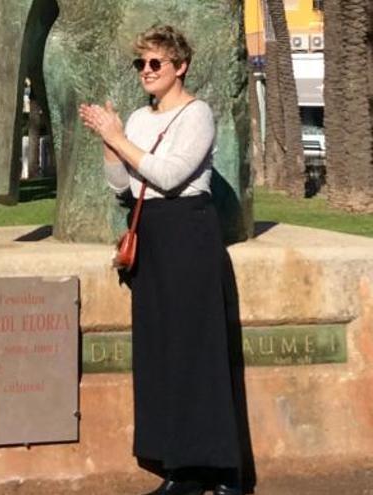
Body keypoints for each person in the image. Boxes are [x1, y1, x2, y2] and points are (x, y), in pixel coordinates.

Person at [79, 25, 254, 495]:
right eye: (141, 64)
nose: (147, 71)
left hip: (188, 234)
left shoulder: (197, 115)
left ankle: (223, 473)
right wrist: (108, 142)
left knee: (199, 352)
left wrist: (119, 138)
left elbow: (171, 176)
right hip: (151, 236)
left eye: (156, 63)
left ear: (181, 66)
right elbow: (123, 187)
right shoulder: (137, 118)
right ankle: (181, 469)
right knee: (162, 353)